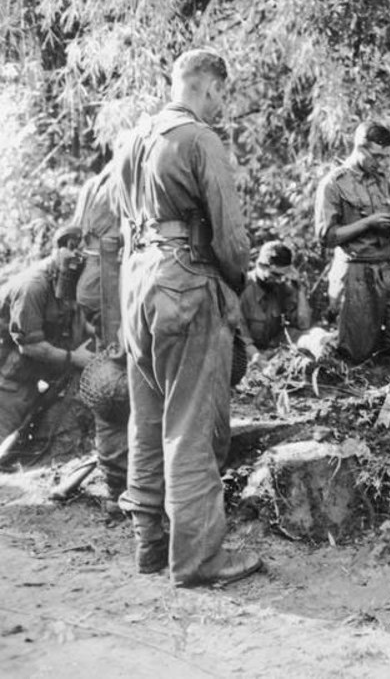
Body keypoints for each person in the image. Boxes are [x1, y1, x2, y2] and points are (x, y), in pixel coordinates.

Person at [112, 48, 261, 586]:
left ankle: (149, 547)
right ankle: (197, 561)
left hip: (138, 285)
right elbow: (229, 238)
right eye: (221, 95)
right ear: (207, 87)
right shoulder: (200, 139)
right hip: (186, 284)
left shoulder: (131, 139)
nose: (221, 106)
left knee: (148, 420)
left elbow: (120, 222)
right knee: (192, 425)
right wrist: (237, 285)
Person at [0, 225, 95, 467]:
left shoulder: (68, 280)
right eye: (71, 249)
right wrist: (74, 357)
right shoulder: (33, 286)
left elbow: (76, 318)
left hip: (29, 369)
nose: (76, 257)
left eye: (82, 252)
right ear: (57, 248)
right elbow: (29, 347)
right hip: (9, 372)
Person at [314, 121, 390, 362]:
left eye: (385, 157)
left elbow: (388, 229)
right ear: (360, 148)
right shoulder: (334, 183)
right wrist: (368, 223)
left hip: (387, 268)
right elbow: (327, 237)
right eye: (376, 156)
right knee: (357, 352)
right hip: (356, 272)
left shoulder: (382, 180)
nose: (381, 162)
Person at [71, 162, 128, 508]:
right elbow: (116, 245)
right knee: (113, 383)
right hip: (107, 283)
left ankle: (118, 477)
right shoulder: (120, 184)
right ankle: (118, 483)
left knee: (112, 378)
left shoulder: (95, 183)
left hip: (94, 283)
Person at [239, 240, 312, 358]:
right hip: (248, 354)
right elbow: (241, 338)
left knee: (312, 337)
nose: (280, 280)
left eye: (284, 275)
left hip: (273, 350)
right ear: (260, 266)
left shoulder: (281, 286)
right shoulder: (241, 290)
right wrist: (258, 357)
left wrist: (299, 288)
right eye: (276, 275)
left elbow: (303, 325)